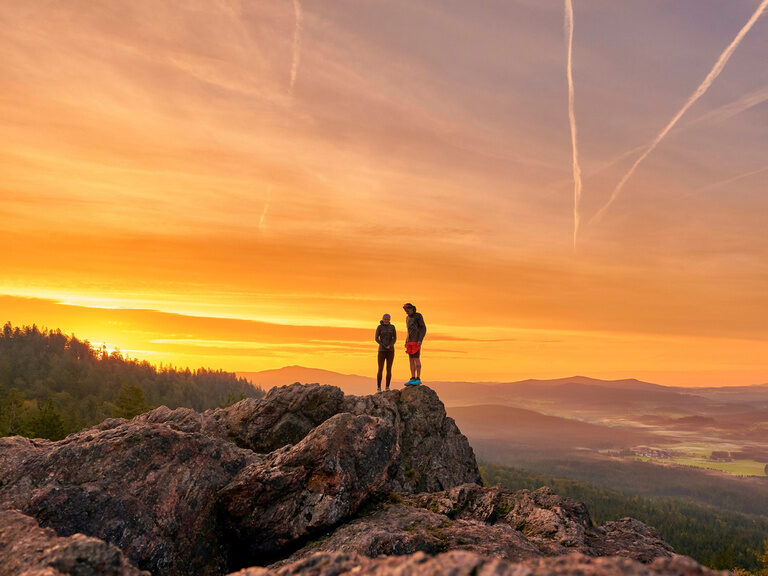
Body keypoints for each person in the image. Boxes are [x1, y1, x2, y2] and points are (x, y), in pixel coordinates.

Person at [402, 302, 426, 385]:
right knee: (411, 360)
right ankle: (412, 378)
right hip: (409, 341)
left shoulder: (418, 316)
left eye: (408, 309)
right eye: (405, 310)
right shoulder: (407, 318)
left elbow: (423, 328)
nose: (406, 311)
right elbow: (409, 331)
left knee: (416, 359)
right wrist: (406, 341)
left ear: (412, 309)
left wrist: (420, 340)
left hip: (416, 341)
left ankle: (418, 378)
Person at [374, 313, 396, 392]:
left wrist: (390, 345)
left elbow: (394, 338)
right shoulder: (379, 327)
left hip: (390, 351)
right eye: (385, 319)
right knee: (380, 369)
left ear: (389, 319)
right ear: (383, 319)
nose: (386, 320)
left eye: (388, 319)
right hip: (381, 350)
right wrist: (383, 345)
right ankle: (379, 387)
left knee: (389, 369)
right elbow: (376, 338)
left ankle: (387, 387)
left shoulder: (392, 327)